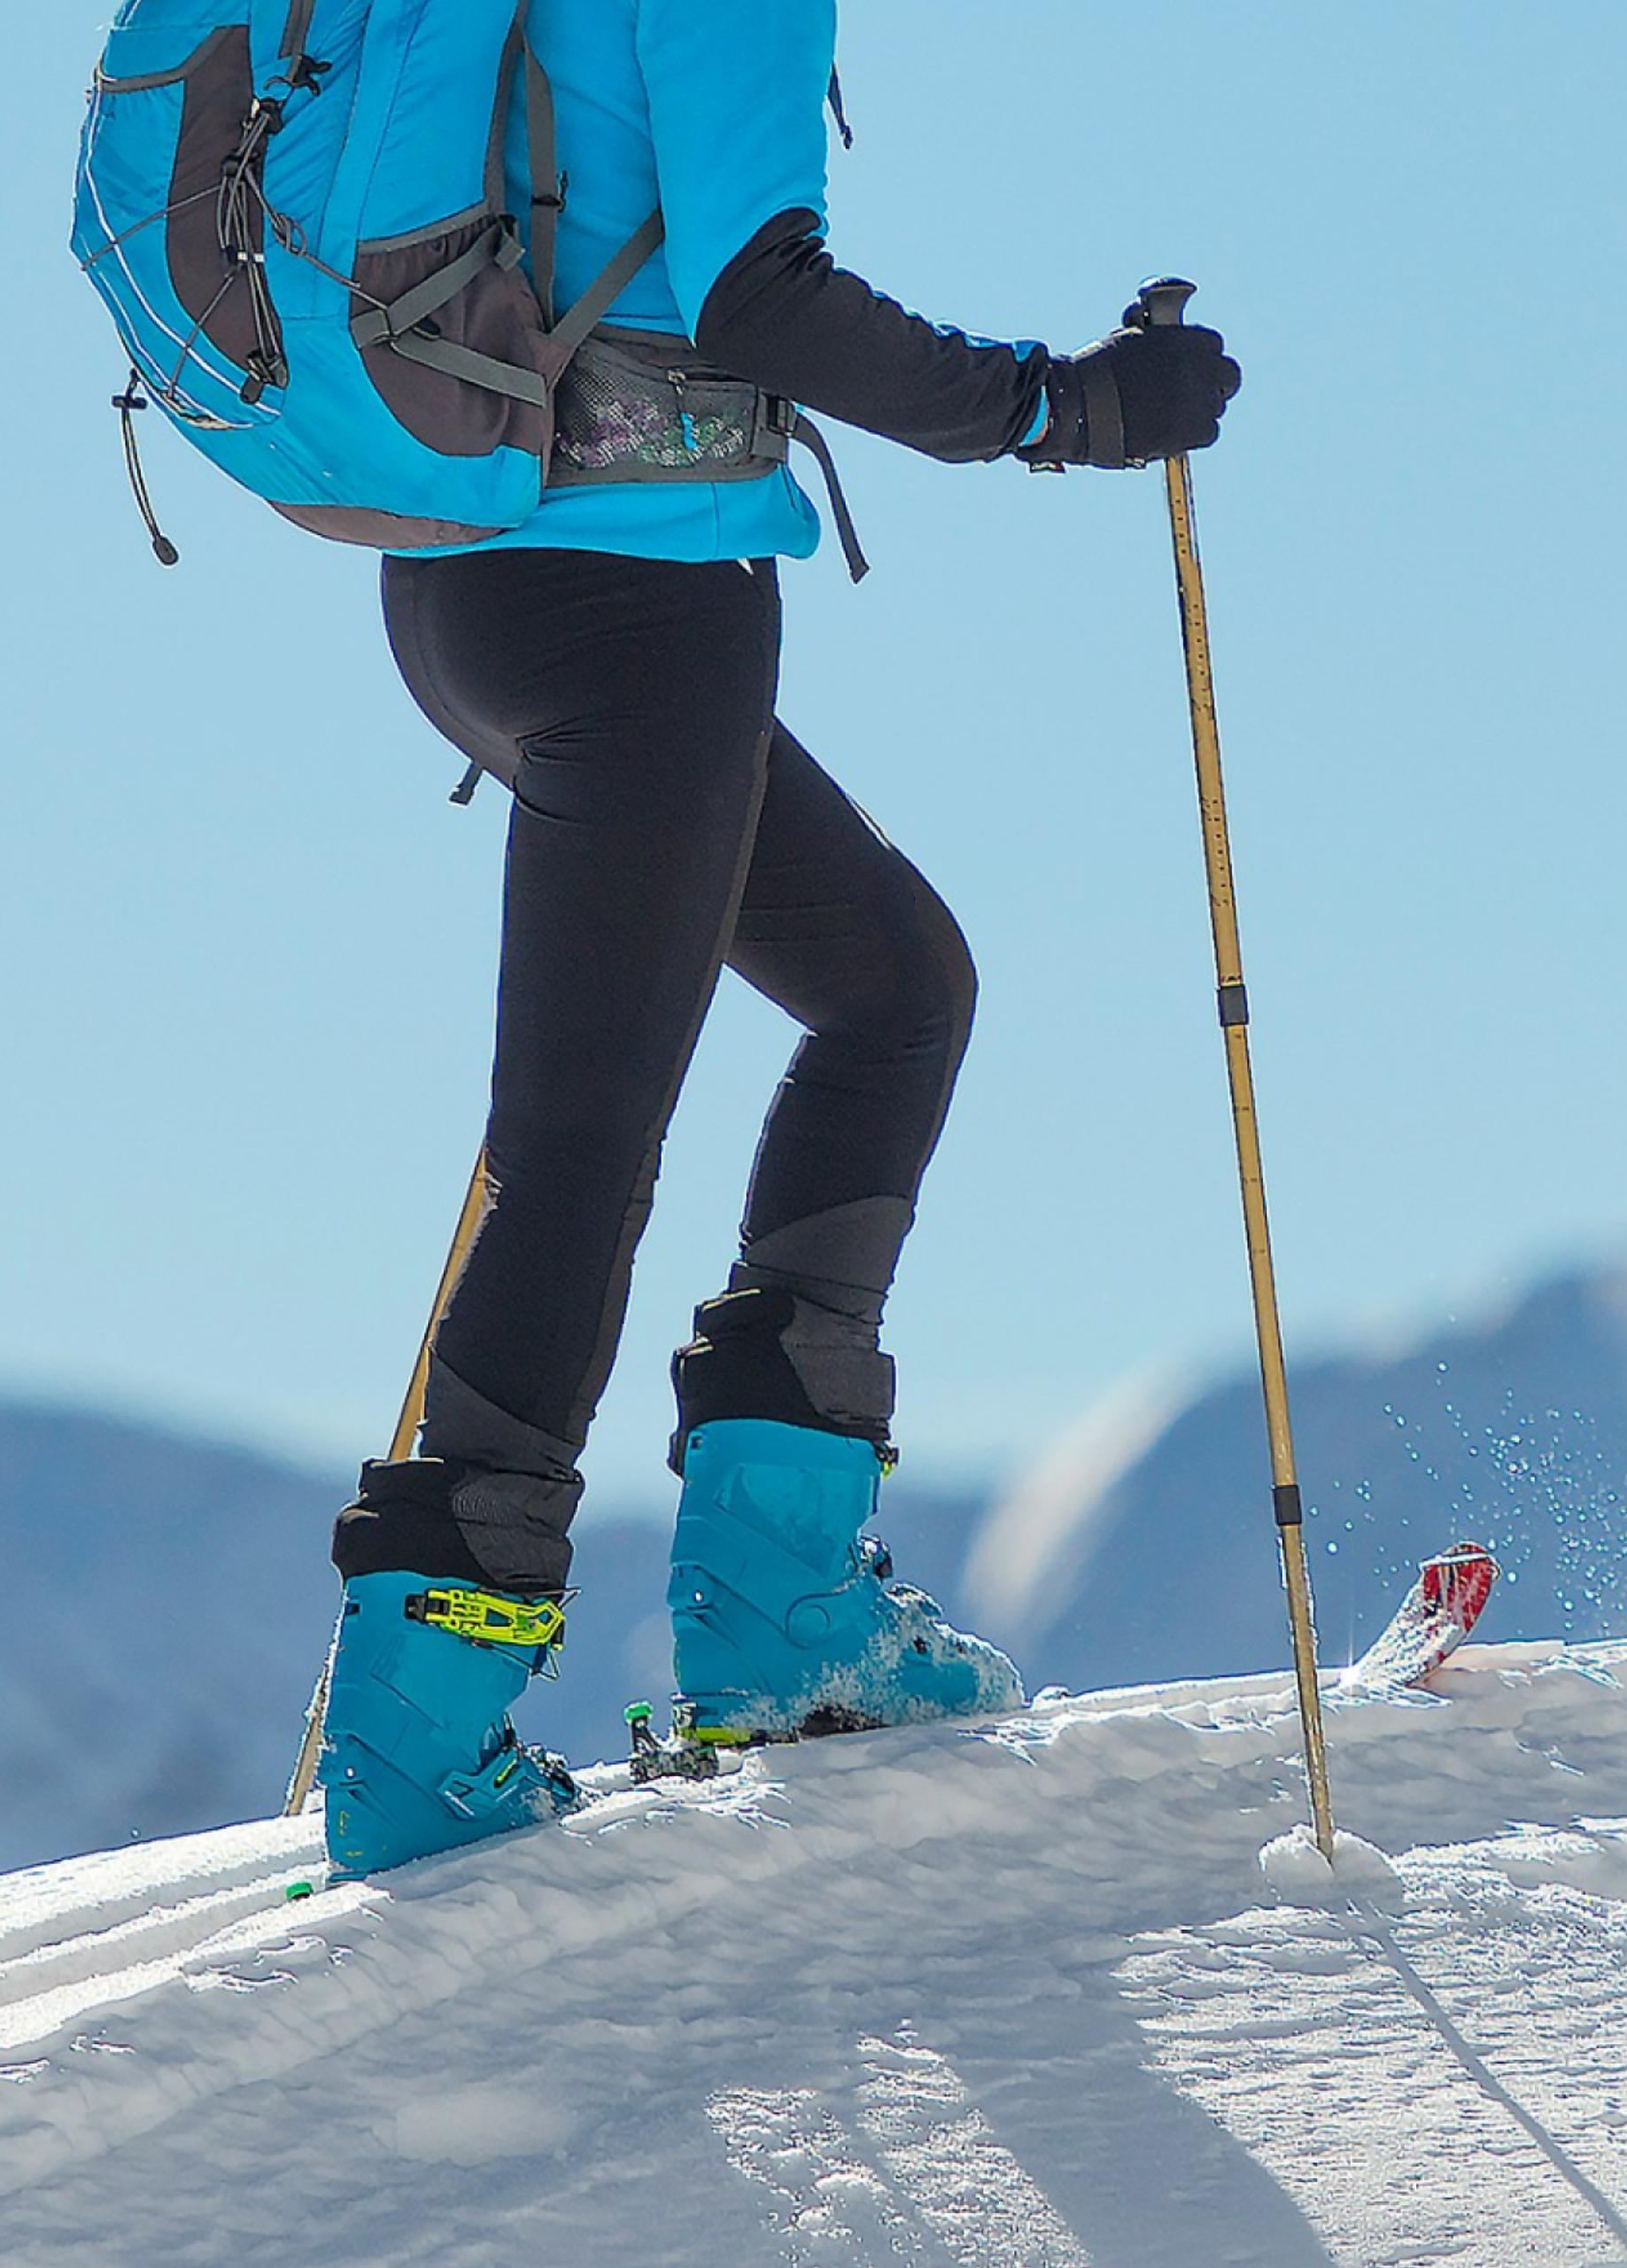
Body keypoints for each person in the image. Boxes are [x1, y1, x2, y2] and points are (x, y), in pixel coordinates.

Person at [318, 3, 1239, 1877]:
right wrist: (1065, 408)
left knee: (895, 988)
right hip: (632, 598)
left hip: (468, 571)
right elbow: (758, 294)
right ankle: (421, 1733)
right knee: (581, 1135)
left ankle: (780, 1600)